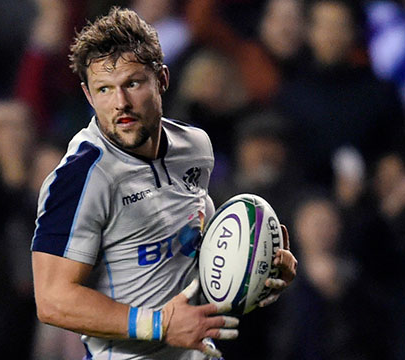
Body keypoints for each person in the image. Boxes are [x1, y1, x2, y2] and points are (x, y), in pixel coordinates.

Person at [30, 7, 298, 360]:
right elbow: (52, 300)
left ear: (163, 79)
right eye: (105, 90)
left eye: (133, 83)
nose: (120, 103)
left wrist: (256, 268)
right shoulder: (81, 177)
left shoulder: (195, 148)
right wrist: (158, 325)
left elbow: (190, 255)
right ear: (88, 95)